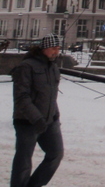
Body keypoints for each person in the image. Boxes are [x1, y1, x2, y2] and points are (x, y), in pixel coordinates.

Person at [10, 33, 64, 187]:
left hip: (50, 120)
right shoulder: (26, 66)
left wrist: (55, 115)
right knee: (24, 160)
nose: (56, 52)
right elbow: (21, 97)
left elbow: (51, 95)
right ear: (44, 48)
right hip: (27, 122)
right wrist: (36, 118)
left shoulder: (53, 67)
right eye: (54, 48)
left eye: (58, 48)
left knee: (56, 154)